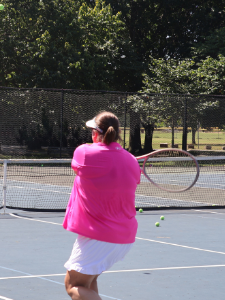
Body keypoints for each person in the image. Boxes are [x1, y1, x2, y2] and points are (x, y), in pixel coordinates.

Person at [62, 111, 139, 300]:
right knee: (88, 282)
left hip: (99, 235)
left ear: (96, 133)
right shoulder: (131, 160)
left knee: (74, 286)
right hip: (122, 234)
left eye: (91, 130)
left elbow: (81, 161)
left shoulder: (85, 153)